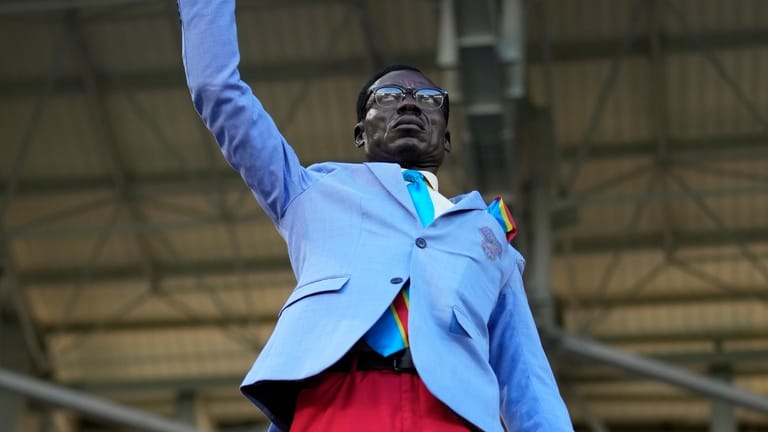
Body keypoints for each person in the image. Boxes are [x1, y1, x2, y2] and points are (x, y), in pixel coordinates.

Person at [178, 1, 573, 430]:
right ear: (359, 132)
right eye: (386, 97)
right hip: (337, 402)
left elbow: (529, 381)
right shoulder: (307, 191)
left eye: (428, 99)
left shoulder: (489, 236)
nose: (408, 105)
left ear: (448, 138)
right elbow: (218, 89)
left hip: (455, 413)